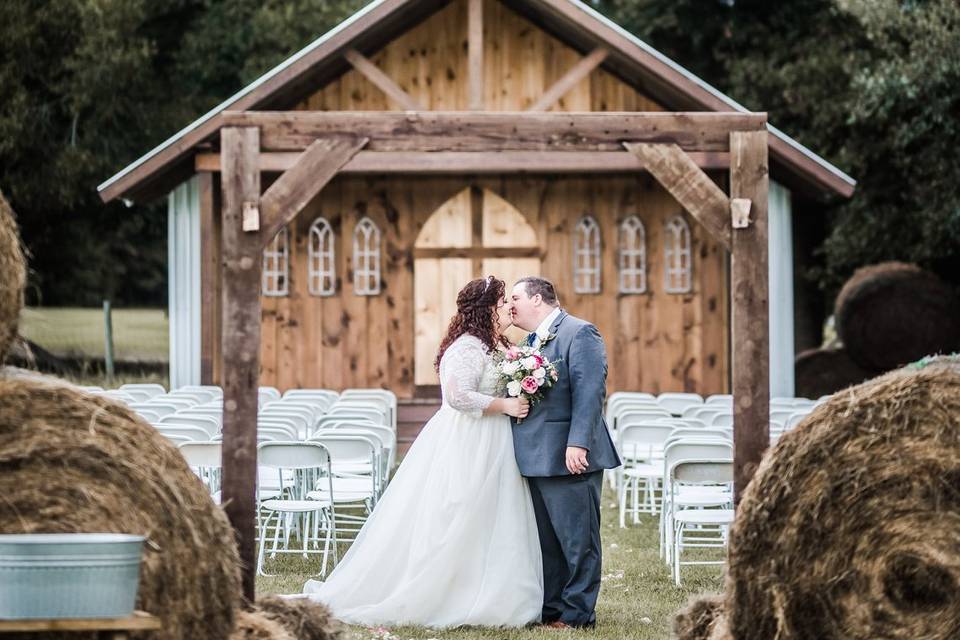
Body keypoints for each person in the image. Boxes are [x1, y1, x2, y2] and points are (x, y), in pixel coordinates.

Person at [301, 275, 543, 628]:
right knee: (461, 510)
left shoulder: (492, 345)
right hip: (468, 440)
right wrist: (504, 405)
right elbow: (458, 396)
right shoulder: (466, 348)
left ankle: (493, 588)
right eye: (501, 303)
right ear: (485, 310)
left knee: (494, 513)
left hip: (492, 441)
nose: (507, 308)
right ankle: (450, 591)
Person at [508, 275, 622, 629]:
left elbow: (590, 393)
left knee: (578, 541)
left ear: (538, 299)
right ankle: (552, 610)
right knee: (549, 543)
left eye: (515, 298)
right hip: (537, 456)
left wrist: (579, 443)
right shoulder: (530, 341)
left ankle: (577, 615)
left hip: (570, 455)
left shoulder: (579, 332)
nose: (510, 305)